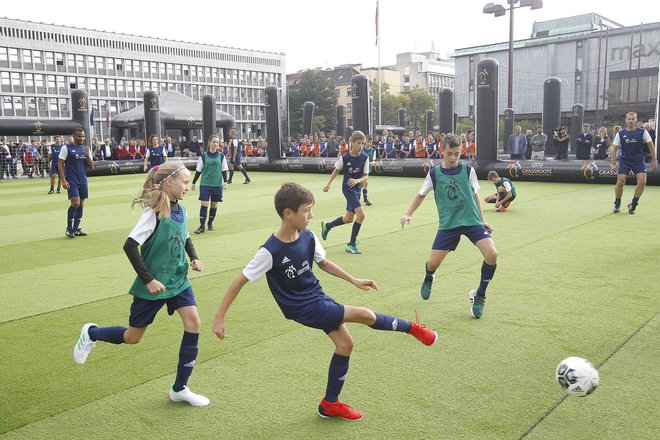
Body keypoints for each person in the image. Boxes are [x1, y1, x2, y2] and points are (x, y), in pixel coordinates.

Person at [211, 182, 438, 421]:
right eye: (307, 210)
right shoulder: (270, 251)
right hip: (302, 308)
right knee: (366, 315)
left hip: (316, 297)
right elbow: (240, 280)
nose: (311, 215)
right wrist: (219, 317)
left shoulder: (308, 236)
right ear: (288, 214)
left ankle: (329, 404)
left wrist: (354, 280)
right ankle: (415, 330)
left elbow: (324, 263)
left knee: (345, 345)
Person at [72, 161, 209, 407]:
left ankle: (180, 388)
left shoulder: (183, 210)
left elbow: (185, 237)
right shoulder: (153, 213)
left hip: (178, 281)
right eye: (185, 182)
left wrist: (195, 258)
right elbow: (129, 245)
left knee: (194, 323)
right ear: (169, 183)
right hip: (154, 286)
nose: (188, 187)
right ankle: (91, 333)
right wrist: (148, 279)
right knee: (132, 337)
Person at [400, 133, 497, 318]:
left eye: (457, 154)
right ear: (442, 151)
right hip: (449, 224)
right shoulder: (434, 174)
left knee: (492, 254)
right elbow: (421, 195)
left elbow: (475, 195)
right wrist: (408, 214)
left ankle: (480, 294)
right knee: (433, 263)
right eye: (449, 153)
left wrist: (482, 220)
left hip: (471, 221)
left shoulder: (468, 171)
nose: (453, 158)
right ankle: (429, 276)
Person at [321, 130, 369, 254]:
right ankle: (351, 244)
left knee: (348, 218)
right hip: (348, 190)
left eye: (362, 143)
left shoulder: (365, 157)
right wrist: (328, 184)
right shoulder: (345, 158)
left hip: (357, 189)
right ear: (352, 143)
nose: (361, 146)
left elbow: (365, 177)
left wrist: (357, 180)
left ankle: (327, 226)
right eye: (358, 143)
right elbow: (336, 170)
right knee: (361, 216)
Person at [610, 112, 657, 214]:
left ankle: (633, 204)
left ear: (636, 120)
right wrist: (613, 163)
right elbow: (614, 148)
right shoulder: (621, 133)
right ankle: (617, 202)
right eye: (629, 119)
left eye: (633, 119)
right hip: (625, 160)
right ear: (626, 120)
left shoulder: (642, 132)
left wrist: (654, 160)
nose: (631, 121)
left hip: (638, 160)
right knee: (620, 181)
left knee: (642, 181)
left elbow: (651, 145)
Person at [58, 128, 94, 238]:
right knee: (76, 203)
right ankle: (69, 229)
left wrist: (88, 155)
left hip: (83, 180)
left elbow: (91, 166)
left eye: (83, 136)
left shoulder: (86, 149)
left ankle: (76, 229)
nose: (82, 138)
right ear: (74, 136)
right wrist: (63, 180)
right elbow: (60, 164)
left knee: (81, 204)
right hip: (71, 180)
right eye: (79, 136)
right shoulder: (66, 148)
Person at [191, 135, 228, 234]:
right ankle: (202, 226)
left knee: (214, 205)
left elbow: (224, 170)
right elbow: (198, 170)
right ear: (209, 142)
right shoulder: (203, 156)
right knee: (204, 204)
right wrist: (194, 182)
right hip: (205, 185)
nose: (216, 144)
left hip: (217, 185)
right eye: (214, 142)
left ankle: (210, 223)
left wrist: (225, 181)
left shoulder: (221, 156)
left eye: (217, 142)